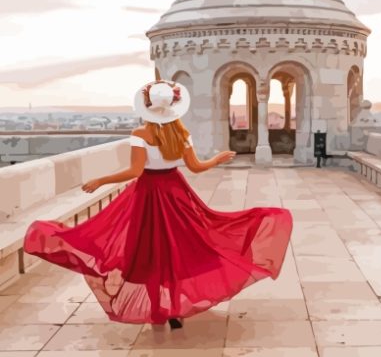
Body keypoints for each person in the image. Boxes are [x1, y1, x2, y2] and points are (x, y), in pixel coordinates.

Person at [23, 79, 293, 329]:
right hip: (176, 194)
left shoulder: (141, 133)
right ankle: (174, 310)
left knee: (148, 251)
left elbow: (135, 172)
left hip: (149, 195)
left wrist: (101, 180)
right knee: (177, 249)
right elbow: (196, 168)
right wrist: (217, 160)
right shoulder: (181, 133)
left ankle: (158, 310)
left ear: (148, 107)